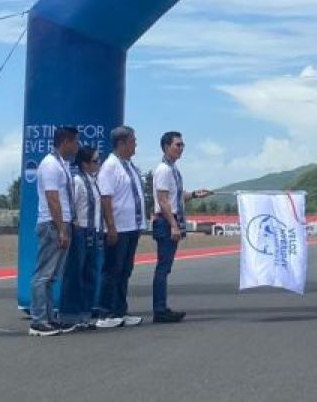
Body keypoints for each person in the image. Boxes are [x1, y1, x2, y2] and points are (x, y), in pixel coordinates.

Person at [151, 130, 212, 323]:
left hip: (170, 220)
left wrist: (194, 194)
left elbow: (175, 197)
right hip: (166, 221)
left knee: (165, 267)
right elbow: (163, 201)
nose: (181, 148)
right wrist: (173, 225)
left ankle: (161, 308)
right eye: (178, 145)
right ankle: (159, 310)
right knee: (163, 268)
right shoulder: (164, 170)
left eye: (182, 145)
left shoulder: (173, 170)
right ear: (166, 147)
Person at [29, 125, 80, 336]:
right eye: (75, 142)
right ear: (65, 142)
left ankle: (50, 318)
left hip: (61, 222)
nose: (77, 146)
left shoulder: (62, 164)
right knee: (44, 274)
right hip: (52, 223)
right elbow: (53, 199)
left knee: (51, 276)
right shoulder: (50, 165)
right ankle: (38, 321)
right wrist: (61, 229)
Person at [96, 125, 145, 329]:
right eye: (133, 141)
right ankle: (105, 312)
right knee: (112, 270)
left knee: (125, 270)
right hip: (119, 228)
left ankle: (120, 310)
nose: (135, 145)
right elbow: (106, 198)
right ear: (121, 143)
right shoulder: (110, 167)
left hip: (132, 226)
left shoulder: (129, 166)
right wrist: (111, 227)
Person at [59, 145, 102, 330]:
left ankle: (86, 314)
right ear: (84, 164)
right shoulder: (76, 181)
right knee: (75, 273)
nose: (98, 164)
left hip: (93, 230)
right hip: (80, 231)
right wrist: (73, 225)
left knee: (90, 274)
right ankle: (69, 315)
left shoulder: (94, 182)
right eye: (95, 161)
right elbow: (70, 205)